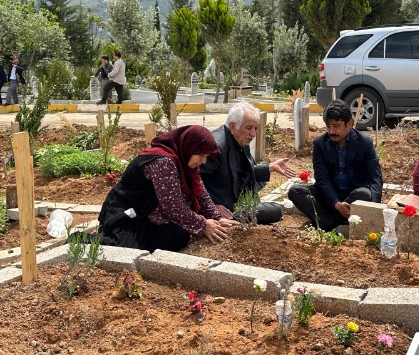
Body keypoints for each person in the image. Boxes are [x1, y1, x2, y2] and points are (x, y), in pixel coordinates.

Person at [96, 125, 239, 252]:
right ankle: (83, 241)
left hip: (150, 210)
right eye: (201, 155)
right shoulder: (163, 162)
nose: (204, 161)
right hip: (129, 214)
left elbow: (201, 193)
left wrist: (217, 217)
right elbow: (173, 207)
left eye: (206, 156)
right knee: (122, 249)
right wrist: (203, 225)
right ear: (188, 147)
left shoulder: (186, 161)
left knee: (178, 234)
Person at [288, 99, 383, 232]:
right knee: (295, 191)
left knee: (365, 194)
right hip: (329, 197)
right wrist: (336, 203)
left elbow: (375, 177)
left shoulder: (364, 143)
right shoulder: (320, 143)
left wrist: (373, 209)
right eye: (328, 126)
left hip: (352, 195)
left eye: (336, 126)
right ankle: (332, 223)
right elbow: (322, 178)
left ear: (349, 123)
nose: (331, 131)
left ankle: (325, 221)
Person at [200, 102, 297, 224]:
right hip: (220, 208)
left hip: (233, 202)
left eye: (255, 128)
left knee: (274, 210)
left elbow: (241, 172)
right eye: (249, 128)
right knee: (273, 211)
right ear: (232, 126)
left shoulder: (238, 140)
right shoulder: (217, 146)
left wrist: (270, 167)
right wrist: (211, 206)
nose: (253, 134)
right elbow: (193, 180)